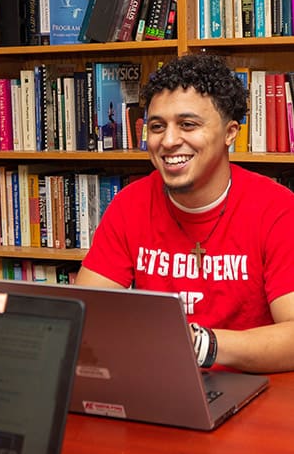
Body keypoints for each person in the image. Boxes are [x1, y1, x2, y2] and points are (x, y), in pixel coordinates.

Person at [76, 52, 294, 373]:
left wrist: (201, 344)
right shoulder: (129, 204)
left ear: (230, 133)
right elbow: (84, 316)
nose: (169, 141)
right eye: (157, 126)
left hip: (250, 392)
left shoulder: (277, 208)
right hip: (157, 381)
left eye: (188, 124)